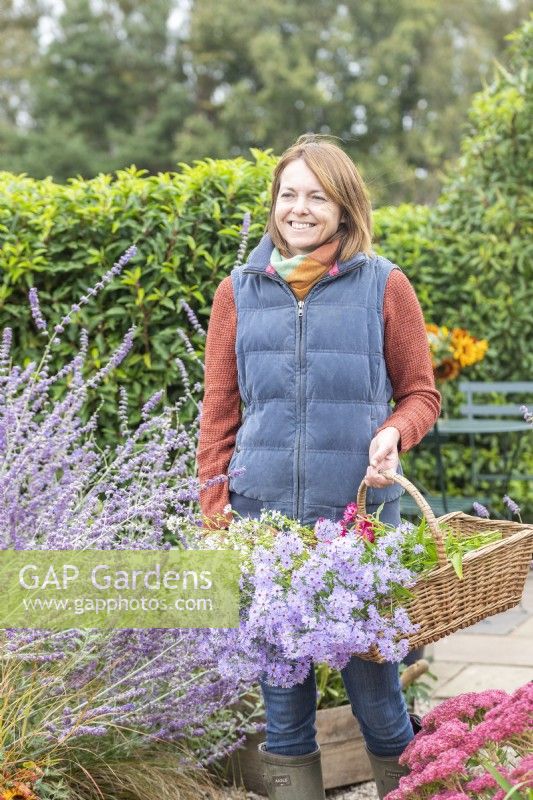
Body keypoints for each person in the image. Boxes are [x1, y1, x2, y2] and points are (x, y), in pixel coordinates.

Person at [197, 134, 440, 800]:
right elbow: (218, 413)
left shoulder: (383, 285)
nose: (299, 209)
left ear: (343, 208)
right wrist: (216, 511)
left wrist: (394, 432)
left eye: (316, 197)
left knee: (379, 701)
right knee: (283, 712)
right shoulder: (237, 292)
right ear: (273, 203)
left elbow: (421, 393)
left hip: (356, 531)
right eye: (288, 194)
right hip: (265, 525)